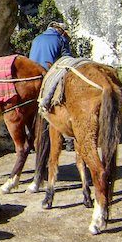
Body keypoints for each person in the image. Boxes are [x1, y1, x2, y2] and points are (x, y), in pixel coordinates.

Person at [29, 22, 75, 179]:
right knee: (65, 106)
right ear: (61, 30)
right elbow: (67, 61)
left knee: (38, 113)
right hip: (51, 76)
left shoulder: (36, 39)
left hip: (34, 79)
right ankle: (69, 139)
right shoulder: (61, 40)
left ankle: (35, 140)